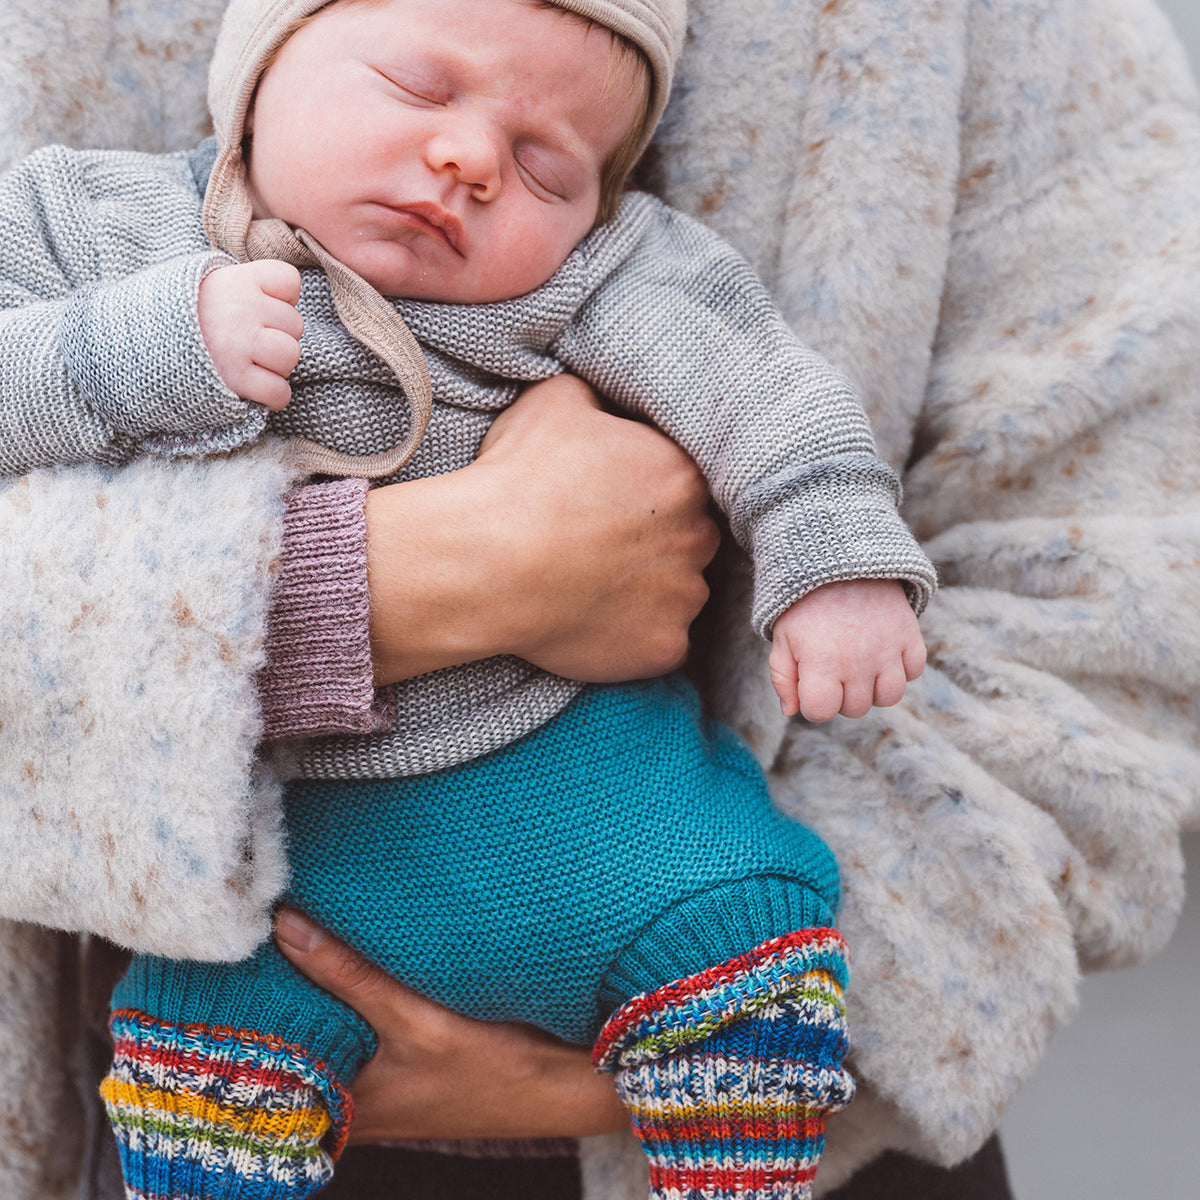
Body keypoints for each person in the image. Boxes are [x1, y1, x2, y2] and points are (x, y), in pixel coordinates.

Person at [1, 0, 1197, 1198]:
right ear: (256, 69)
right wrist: (143, 355)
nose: (469, 159)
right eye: (418, 89)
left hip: (590, 815)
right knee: (209, 1047)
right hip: (267, 884)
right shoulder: (106, 222)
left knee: (739, 926)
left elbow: (767, 395)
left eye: (547, 168)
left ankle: (737, 1134)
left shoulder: (595, 274)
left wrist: (836, 563)